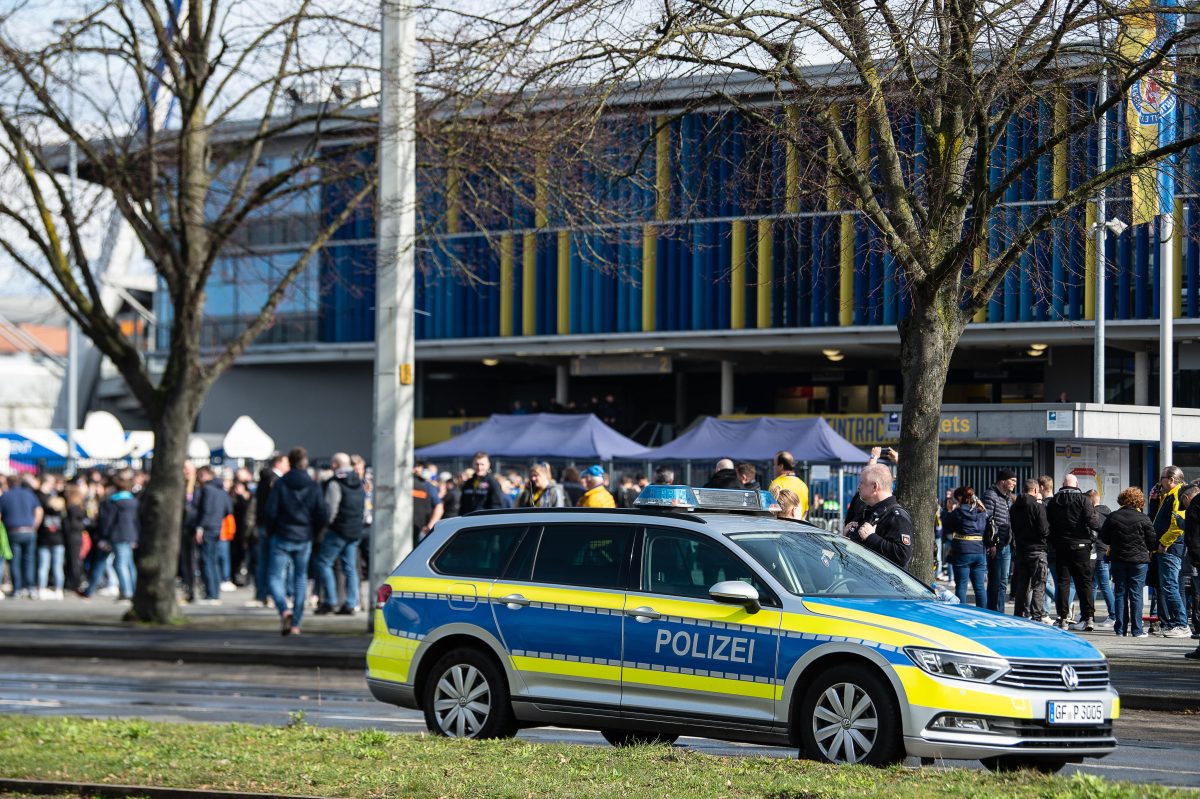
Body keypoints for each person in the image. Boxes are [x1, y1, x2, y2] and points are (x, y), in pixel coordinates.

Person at [263, 447, 328, 636]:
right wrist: (314, 533)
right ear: (305, 463)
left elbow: (270, 512)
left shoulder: (281, 484)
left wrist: (271, 531)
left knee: (275, 577)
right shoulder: (313, 485)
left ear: (290, 463)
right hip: (304, 536)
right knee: (300, 579)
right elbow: (322, 514)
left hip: (282, 535)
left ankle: (284, 610)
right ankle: (296, 624)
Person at [1099, 486, 1158, 638]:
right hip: (1139, 561)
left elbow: (1104, 538)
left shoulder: (1113, 517)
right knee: (1136, 594)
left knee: (1120, 593)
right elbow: (1152, 542)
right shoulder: (1144, 518)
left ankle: (1120, 629)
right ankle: (1137, 630)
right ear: (1139, 501)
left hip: (1118, 559)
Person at [315, 453, 367, 617]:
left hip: (338, 530)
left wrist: (326, 525)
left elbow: (331, 509)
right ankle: (351, 603)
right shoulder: (359, 481)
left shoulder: (335, 483)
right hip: (355, 530)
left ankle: (330, 601)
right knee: (350, 567)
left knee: (323, 562)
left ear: (335, 465)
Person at [1046, 474, 1100, 631]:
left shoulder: (1054, 501)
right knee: (1085, 583)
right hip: (1082, 546)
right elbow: (1093, 522)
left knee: (1063, 582)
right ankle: (1088, 618)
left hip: (1061, 547)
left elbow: (1048, 524)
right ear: (1076, 484)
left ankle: (1063, 618)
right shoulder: (1084, 500)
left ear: (1063, 484)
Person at [845, 463, 913, 569]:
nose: (859, 487)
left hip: (883, 584)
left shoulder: (897, 517)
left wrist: (872, 538)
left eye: (862, 483)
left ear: (875, 487)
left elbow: (902, 555)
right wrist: (847, 537)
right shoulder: (868, 511)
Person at [1152, 465, 1191, 638]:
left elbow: (1177, 525)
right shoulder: (1168, 496)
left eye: (1162, 478)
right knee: (1169, 586)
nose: (1160, 482)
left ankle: (1181, 624)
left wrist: (1163, 542)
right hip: (1167, 547)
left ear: (1171, 480)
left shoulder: (1177, 495)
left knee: (1170, 586)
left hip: (1171, 548)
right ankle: (1176, 623)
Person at [1010, 478, 1051, 621]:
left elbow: (1013, 528)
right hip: (1037, 550)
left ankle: (1019, 614)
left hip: (1021, 550)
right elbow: (1044, 530)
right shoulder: (1038, 507)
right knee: (1039, 585)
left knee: (1022, 585)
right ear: (1035, 490)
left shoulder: (1014, 507)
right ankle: (1037, 616)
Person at [251, 454, 288, 607]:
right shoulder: (275, 481)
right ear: (279, 463)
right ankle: (274, 594)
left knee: (263, 561)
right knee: (275, 564)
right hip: (272, 525)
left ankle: (261, 594)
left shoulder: (264, 479)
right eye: (286, 463)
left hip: (262, 523)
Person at [943, 486, 990, 607]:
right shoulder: (981, 511)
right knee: (980, 587)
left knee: (961, 585)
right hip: (979, 550)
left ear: (960, 497)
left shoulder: (958, 512)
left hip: (962, 551)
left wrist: (948, 511)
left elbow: (947, 526)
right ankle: (983, 613)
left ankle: (961, 613)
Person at [194, 466, 234, 603]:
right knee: (214, 561)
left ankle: (211, 593)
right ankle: (215, 593)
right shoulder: (222, 490)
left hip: (208, 527)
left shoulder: (207, 490)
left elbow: (205, 510)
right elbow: (228, 509)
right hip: (218, 527)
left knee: (207, 561)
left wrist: (200, 527)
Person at [98, 471, 139, 600]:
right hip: (131, 534)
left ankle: (127, 591)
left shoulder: (113, 502)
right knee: (129, 563)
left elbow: (109, 521)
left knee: (120, 564)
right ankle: (132, 589)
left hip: (118, 535)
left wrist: (105, 536)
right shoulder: (133, 501)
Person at [0, 475, 43, 599]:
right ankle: (30, 588)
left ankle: (17, 589)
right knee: (29, 560)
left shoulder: (5, 496)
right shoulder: (29, 494)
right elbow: (39, 511)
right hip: (29, 530)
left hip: (13, 531)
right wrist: (34, 526)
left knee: (15, 561)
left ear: (9, 483)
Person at [982, 469, 1017, 612]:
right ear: (1003, 481)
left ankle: (1000, 611)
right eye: (1012, 480)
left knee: (1003, 582)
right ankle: (992, 611)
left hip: (1006, 544)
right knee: (995, 582)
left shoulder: (1007, 497)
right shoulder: (990, 495)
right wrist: (991, 544)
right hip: (996, 545)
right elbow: (987, 520)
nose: (1014, 483)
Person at [1085, 488, 1116, 629]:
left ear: (1090, 500)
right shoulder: (1108, 513)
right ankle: (1089, 613)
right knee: (1097, 584)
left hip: (1097, 552)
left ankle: (1113, 615)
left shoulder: (1093, 513)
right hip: (1105, 551)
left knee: (1101, 584)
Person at [36, 479, 66, 600]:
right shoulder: (61, 512)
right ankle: (59, 590)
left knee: (44, 566)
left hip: (45, 540)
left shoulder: (43, 509)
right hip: (58, 541)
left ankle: (41, 589)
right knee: (57, 567)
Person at [179, 462, 201, 603]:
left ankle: (192, 588)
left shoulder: (197, 488)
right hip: (182, 527)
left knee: (192, 559)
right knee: (184, 560)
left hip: (191, 527)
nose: (185, 471)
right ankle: (187, 587)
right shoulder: (179, 486)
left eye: (188, 469)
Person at [769, 451, 809, 519]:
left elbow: (770, 511)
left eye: (774, 464)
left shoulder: (776, 484)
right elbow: (805, 511)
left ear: (781, 466)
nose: (773, 467)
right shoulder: (803, 485)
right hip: (799, 526)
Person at [412, 463, 444, 544]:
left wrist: (430, 525)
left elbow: (439, 506)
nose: (416, 469)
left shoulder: (427, 485)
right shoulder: (403, 484)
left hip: (420, 530)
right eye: (414, 467)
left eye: (419, 467)